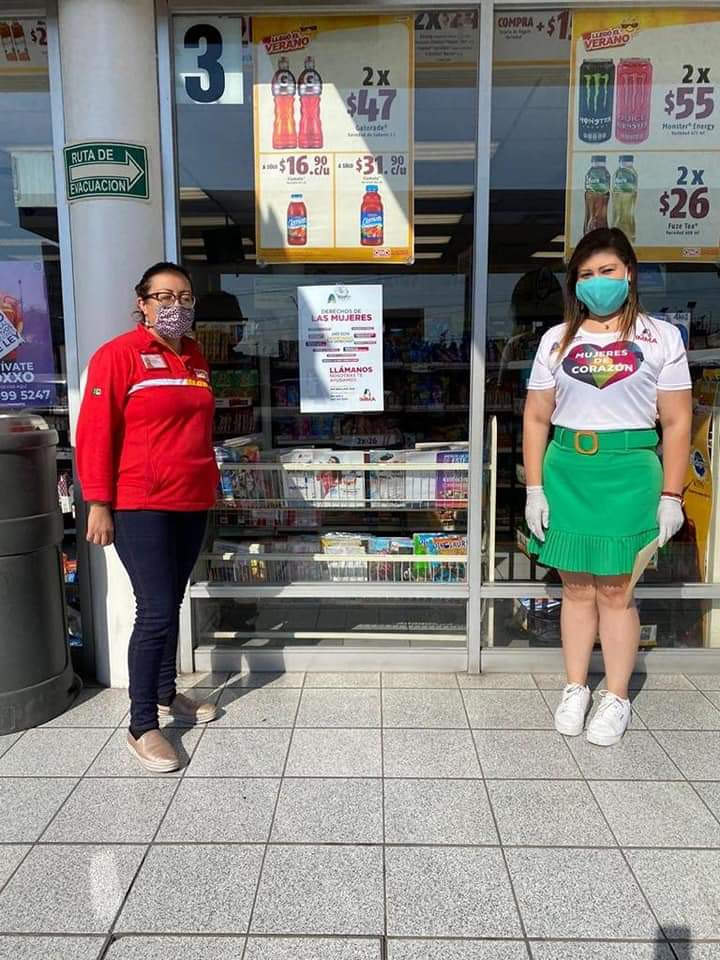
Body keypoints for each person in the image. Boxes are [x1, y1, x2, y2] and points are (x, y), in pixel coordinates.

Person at [523, 229, 692, 746]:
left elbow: (677, 423)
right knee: (575, 588)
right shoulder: (557, 340)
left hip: (630, 473)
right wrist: (535, 488)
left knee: (617, 591)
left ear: (629, 274)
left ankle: (616, 695)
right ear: (575, 284)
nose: (597, 282)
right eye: (586, 274)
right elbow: (536, 418)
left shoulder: (661, 338)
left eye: (607, 271)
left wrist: (672, 495)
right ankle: (576, 686)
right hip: (568, 470)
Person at [76, 262, 219, 772]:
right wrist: (98, 501)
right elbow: (95, 432)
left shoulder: (195, 356)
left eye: (184, 297)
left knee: (171, 603)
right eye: (164, 296)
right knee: (155, 611)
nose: (176, 305)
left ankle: (165, 693)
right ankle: (141, 725)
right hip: (140, 502)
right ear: (142, 303)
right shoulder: (118, 355)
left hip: (190, 500)